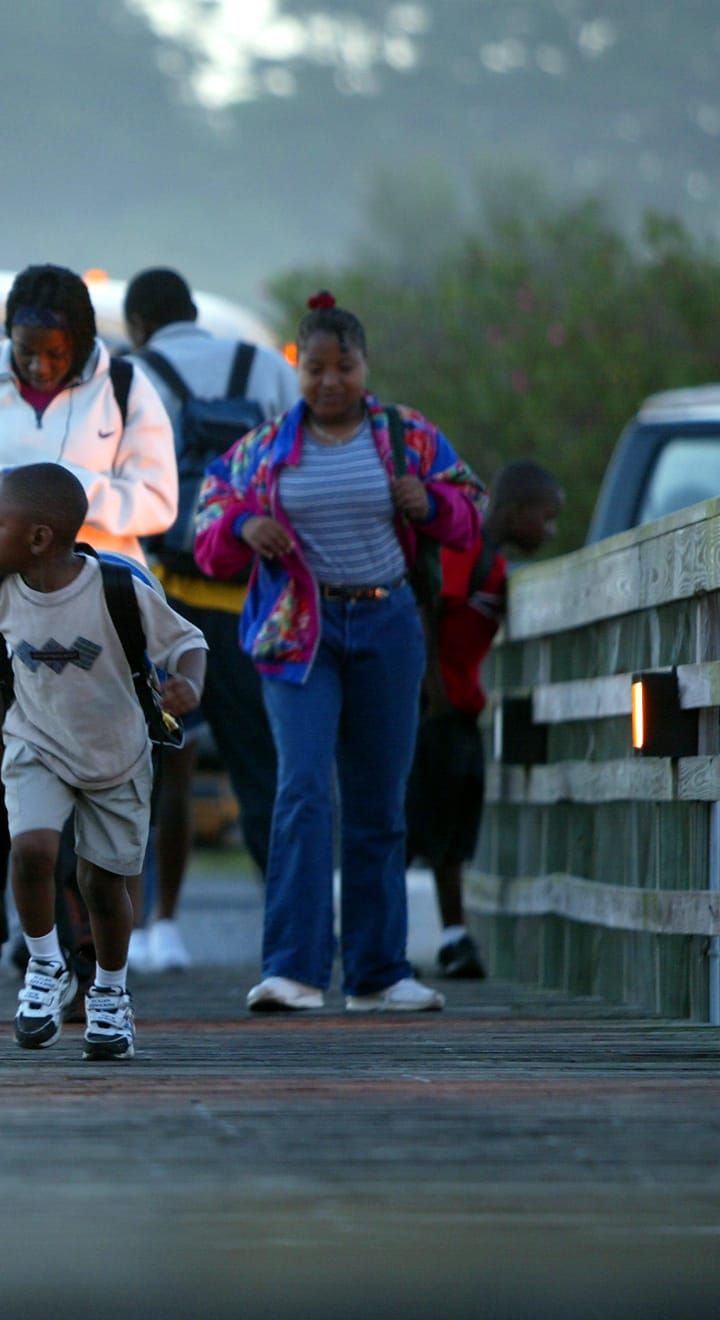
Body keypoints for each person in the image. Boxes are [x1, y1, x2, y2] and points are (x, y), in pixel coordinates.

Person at [195, 292, 485, 1014]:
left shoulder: (406, 436)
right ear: (298, 371)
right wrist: (247, 524)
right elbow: (208, 519)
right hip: (303, 632)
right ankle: (292, 969)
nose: (329, 382)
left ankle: (378, 973)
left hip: (388, 625)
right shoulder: (265, 449)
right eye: (315, 368)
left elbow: (471, 509)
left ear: (365, 367)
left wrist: (431, 504)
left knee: (381, 801)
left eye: (343, 367)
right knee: (301, 791)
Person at [0, 264, 177, 1023]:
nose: (40, 365)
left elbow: (158, 496)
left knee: (90, 790)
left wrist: (65, 504)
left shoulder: (124, 388)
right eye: (26, 350)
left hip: (95, 627)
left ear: (84, 342)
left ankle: (73, 958)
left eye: (56, 353)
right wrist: (0, 502)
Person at [0, 464, 205, 1058]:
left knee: (102, 885)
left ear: (38, 538)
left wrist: (189, 683)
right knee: (32, 850)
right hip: (37, 740)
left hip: (117, 752)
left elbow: (188, 641)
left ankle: (110, 995)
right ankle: (44, 968)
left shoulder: (116, 589)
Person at [123, 267, 298, 973]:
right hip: (255, 599)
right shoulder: (262, 367)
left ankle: (153, 927)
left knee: (158, 771)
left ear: (139, 324)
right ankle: (291, 935)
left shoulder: (133, 374)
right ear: (196, 312)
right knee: (265, 773)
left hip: (167, 600)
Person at [408, 460, 564, 981]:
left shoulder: (495, 561)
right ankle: (411, 938)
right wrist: (431, 690)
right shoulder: (466, 544)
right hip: (437, 707)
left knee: (454, 818)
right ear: (517, 512)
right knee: (424, 821)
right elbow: (429, 606)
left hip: (459, 705)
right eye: (546, 517)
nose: (550, 530)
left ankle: (452, 936)